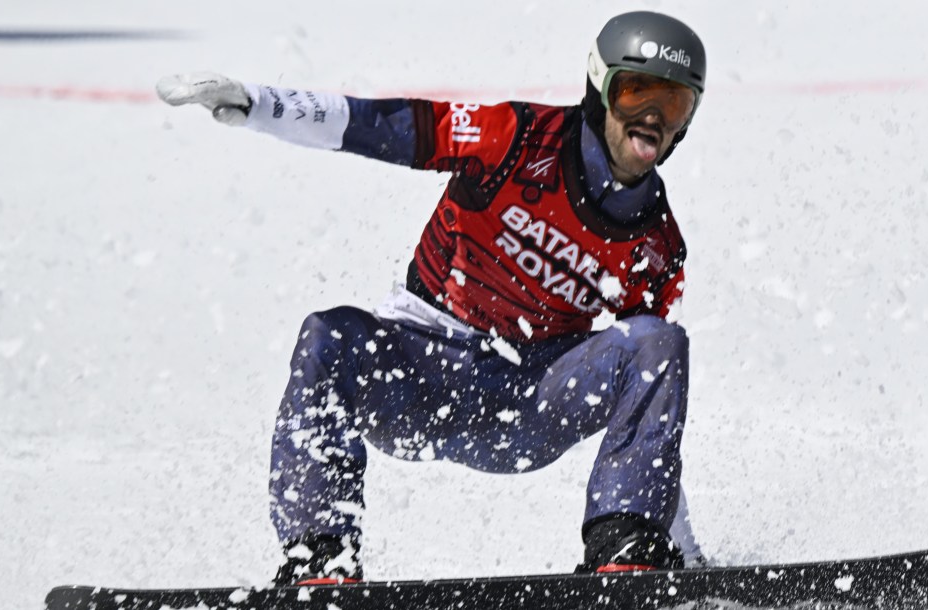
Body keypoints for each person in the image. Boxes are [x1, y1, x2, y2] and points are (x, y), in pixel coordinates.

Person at [158, 10, 707, 585]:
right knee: (330, 334)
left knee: (659, 342)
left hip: (529, 406)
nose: (651, 119)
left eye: (673, 105)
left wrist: (675, 554)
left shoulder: (655, 240)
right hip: (422, 379)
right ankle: (320, 560)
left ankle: (628, 550)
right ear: (599, 88)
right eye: (635, 92)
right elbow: (380, 126)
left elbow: (647, 411)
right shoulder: (512, 139)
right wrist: (258, 104)